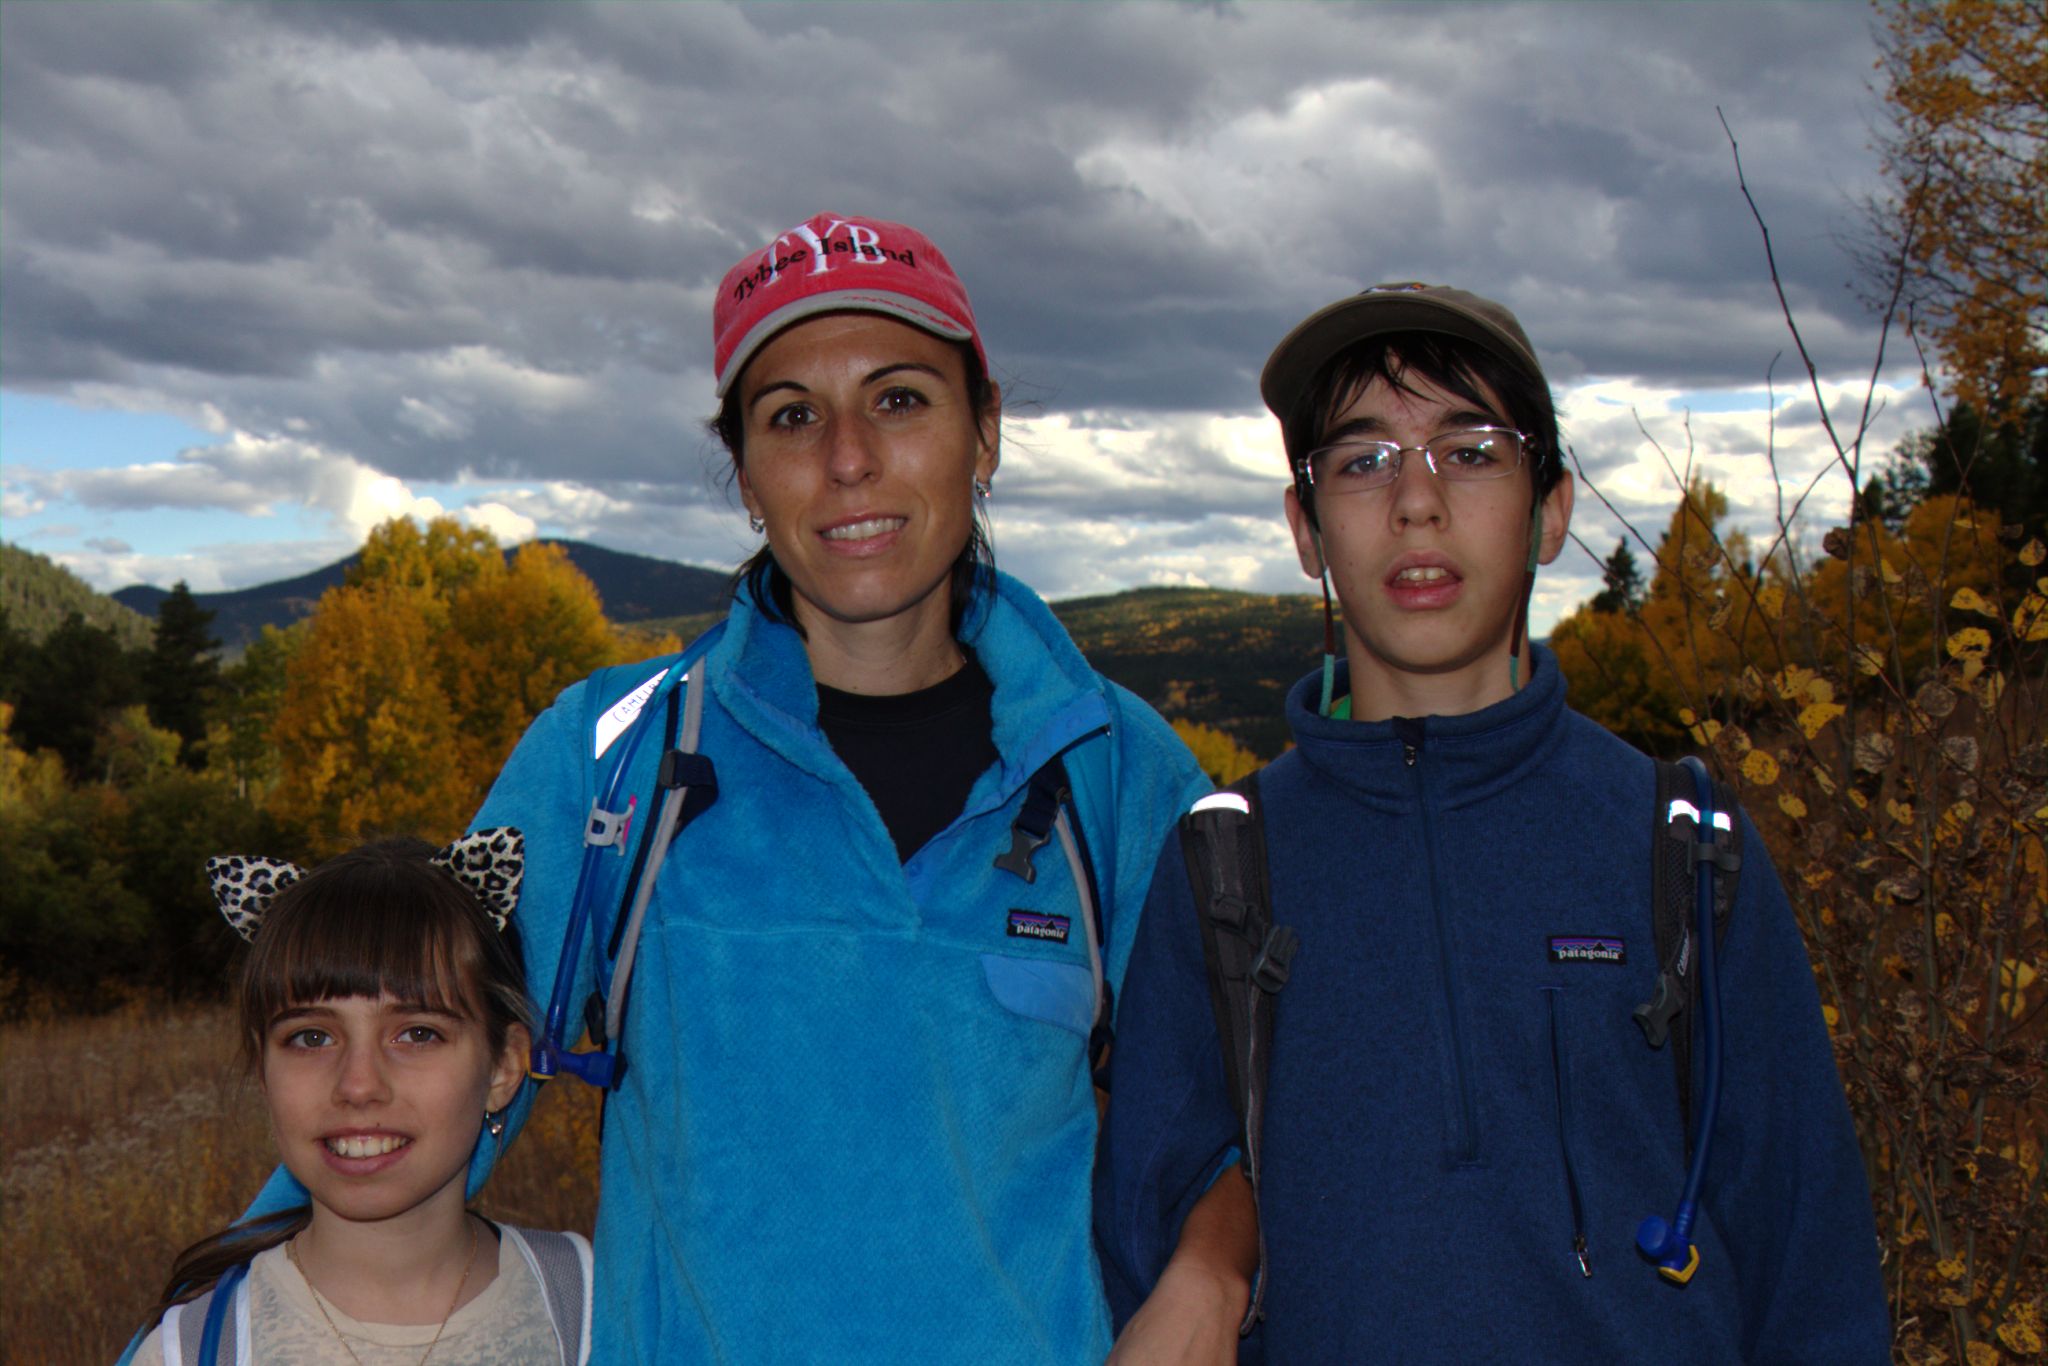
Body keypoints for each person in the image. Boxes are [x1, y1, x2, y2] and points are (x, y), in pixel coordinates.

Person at [450, 214, 1217, 1359]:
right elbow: (404, 1081)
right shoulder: (612, 758)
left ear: (985, 431)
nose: (847, 456)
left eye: (899, 399)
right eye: (792, 416)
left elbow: (1241, 1115)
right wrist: (220, 1328)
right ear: (747, 474)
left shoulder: (1113, 769)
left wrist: (1207, 1276)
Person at [1096, 283, 1891, 1362]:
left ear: (1550, 509)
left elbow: (1813, 1272)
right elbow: (1148, 1240)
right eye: (1361, 459)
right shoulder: (1224, 868)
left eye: (1469, 450)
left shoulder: (1681, 846)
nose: (1414, 503)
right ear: (1304, 526)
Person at [128, 832, 592, 1366]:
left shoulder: (591, 1307)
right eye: (312, 1037)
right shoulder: (191, 1350)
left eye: (418, 1034)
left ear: (504, 1066)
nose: (358, 1085)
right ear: (263, 1070)